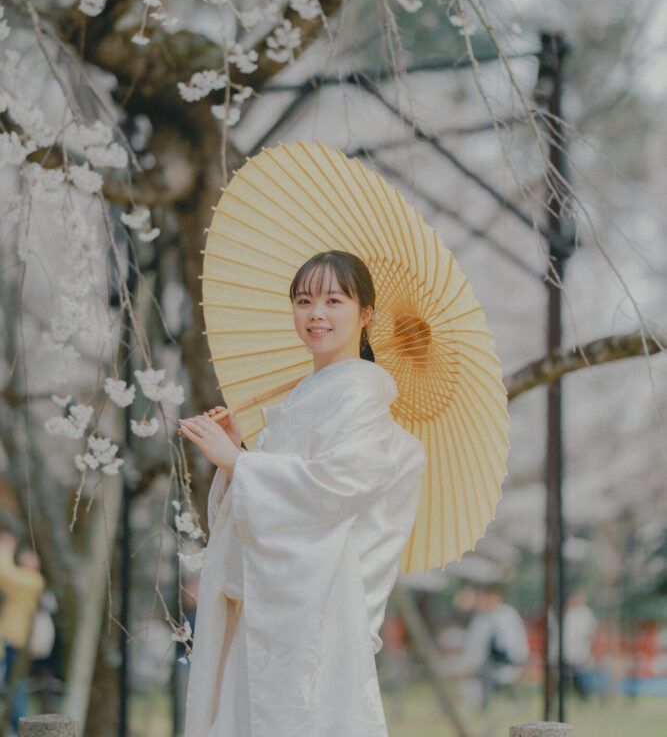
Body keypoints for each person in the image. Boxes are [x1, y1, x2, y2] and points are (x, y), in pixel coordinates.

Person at [178, 250, 427, 737]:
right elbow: (282, 491)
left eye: (334, 300)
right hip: (276, 594)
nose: (316, 314)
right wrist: (239, 454)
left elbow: (335, 488)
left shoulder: (360, 393)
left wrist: (237, 463)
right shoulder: (310, 392)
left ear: (366, 314)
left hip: (314, 604)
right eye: (304, 300)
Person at [442, 583, 530, 710]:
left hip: (504, 662)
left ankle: (482, 706)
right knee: (449, 669)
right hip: (481, 662)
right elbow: (473, 645)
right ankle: (448, 707)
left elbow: (508, 647)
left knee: (482, 672)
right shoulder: (481, 618)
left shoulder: (506, 616)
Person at [0, 533, 45, 734]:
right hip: (12, 641)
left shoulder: (32, 581)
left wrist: (5, 548)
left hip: (15, 642)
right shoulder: (28, 580)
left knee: (15, 687)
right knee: (14, 686)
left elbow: (5, 573)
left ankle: (18, 729)